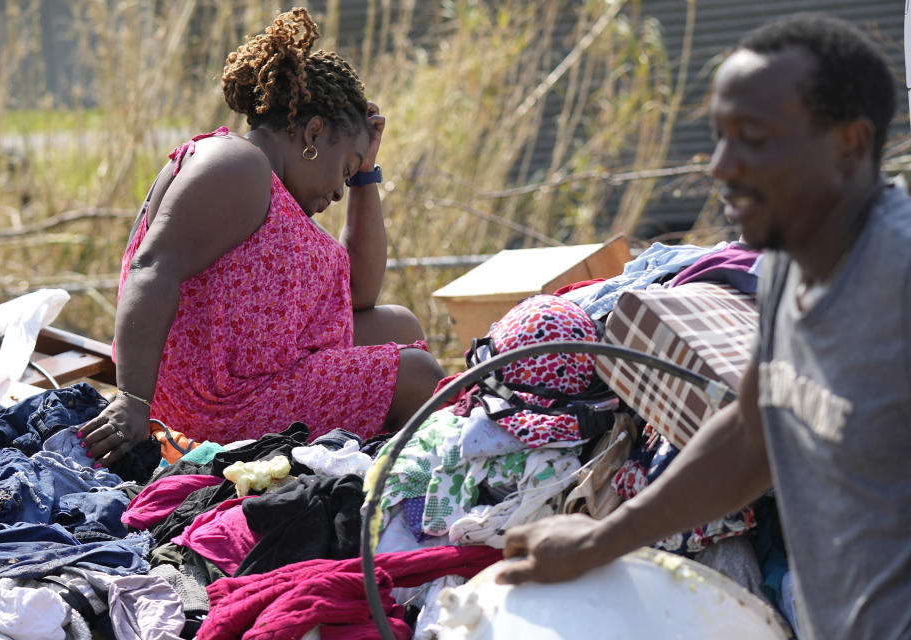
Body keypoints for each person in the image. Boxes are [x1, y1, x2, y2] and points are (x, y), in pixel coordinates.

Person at [497, 13, 911, 640]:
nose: (720, 166)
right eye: (719, 137)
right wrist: (599, 540)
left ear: (848, 146)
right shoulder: (789, 271)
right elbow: (751, 436)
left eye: (754, 137)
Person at [78, 8, 444, 468]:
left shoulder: (268, 189)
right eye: (344, 170)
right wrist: (132, 397)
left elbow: (359, 296)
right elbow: (153, 267)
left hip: (253, 376)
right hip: (220, 399)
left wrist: (366, 175)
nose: (338, 189)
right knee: (419, 374)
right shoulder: (236, 163)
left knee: (399, 327)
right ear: (313, 133)